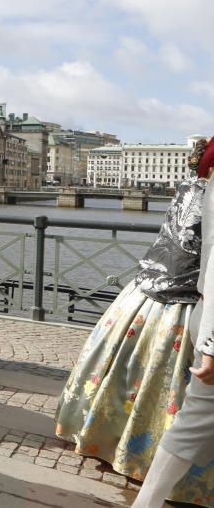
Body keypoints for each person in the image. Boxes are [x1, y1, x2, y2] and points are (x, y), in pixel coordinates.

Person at [57, 137, 214, 506]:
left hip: (155, 293)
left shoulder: (187, 191)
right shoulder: (204, 197)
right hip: (187, 302)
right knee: (192, 413)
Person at [132, 139, 214, 508]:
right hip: (199, 308)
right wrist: (211, 344)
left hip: (186, 299)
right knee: (194, 420)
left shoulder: (200, 190)